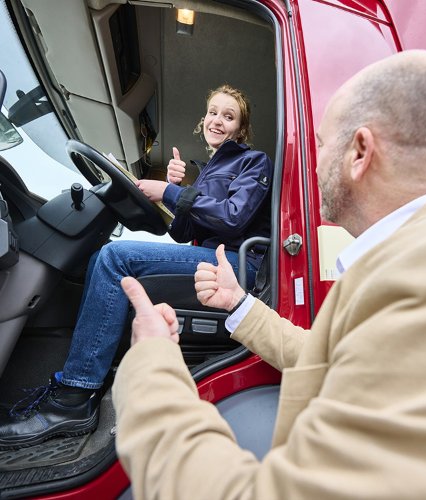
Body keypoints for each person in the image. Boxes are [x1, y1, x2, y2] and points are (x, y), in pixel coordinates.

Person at [111, 50, 426, 499]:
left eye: (318, 143)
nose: (309, 165)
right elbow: (328, 359)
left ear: (359, 152)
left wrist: (150, 363)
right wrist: (240, 304)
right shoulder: (424, 255)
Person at [0, 84, 273, 449]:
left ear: (240, 129)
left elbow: (233, 219)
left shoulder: (253, 162)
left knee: (115, 258)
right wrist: (177, 189)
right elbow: (183, 233)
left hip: (239, 266)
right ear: (202, 119)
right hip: (213, 258)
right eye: (212, 112)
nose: (217, 120)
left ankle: (73, 399)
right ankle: (87, 381)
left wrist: (170, 192)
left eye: (229, 116)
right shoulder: (207, 170)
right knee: (104, 256)